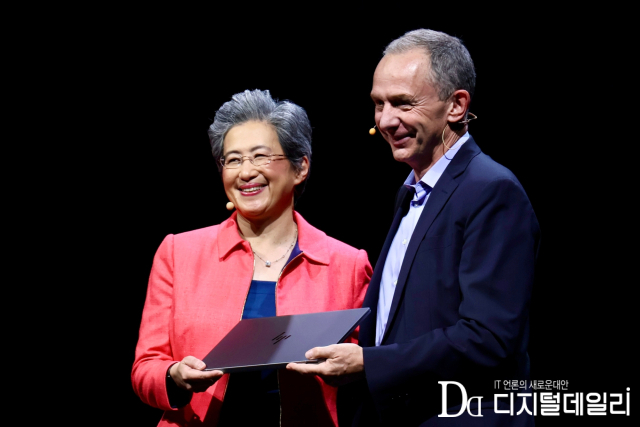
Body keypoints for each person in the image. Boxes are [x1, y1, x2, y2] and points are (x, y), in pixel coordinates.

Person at [286, 29, 541, 426]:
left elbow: (489, 338)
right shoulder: (413, 191)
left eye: (403, 103)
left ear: (457, 105)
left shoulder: (492, 191)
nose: (386, 121)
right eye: (378, 104)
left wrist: (370, 363)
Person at [131, 89, 372, 427]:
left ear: (300, 166)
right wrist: (173, 376)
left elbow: (371, 366)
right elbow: (146, 368)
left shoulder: (347, 264)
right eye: (232, 159)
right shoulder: (178, 252)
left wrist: (355, 367)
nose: (245, 172)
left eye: (260, 156)